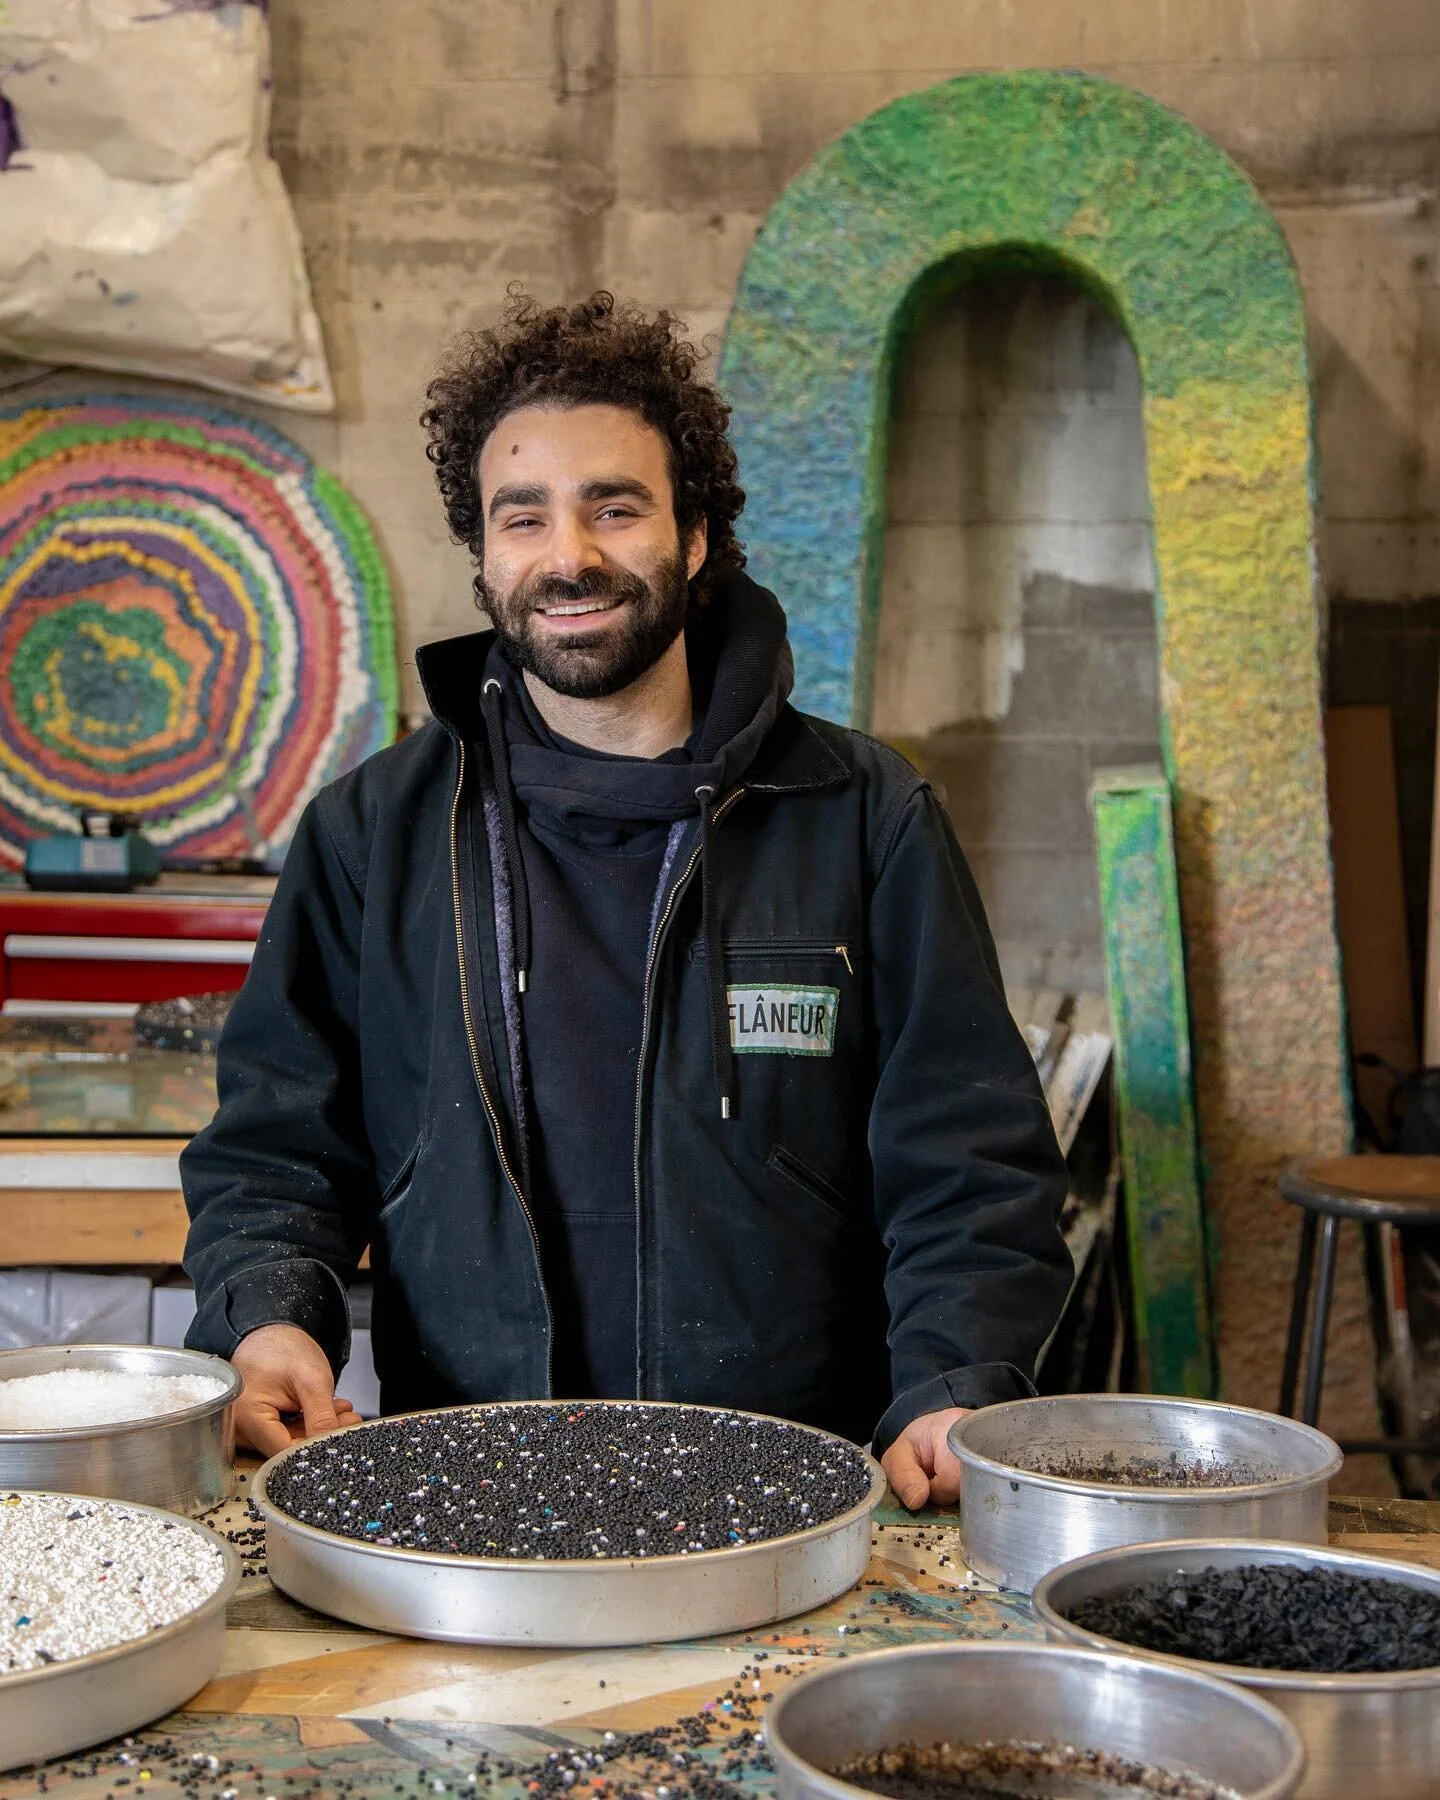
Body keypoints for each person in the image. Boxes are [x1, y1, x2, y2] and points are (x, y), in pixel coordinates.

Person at [182, 291, 1072, 1509]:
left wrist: (957, 1378)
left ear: (694, 535)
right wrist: (270, 1319)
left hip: (801, 1489)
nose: (570, 557)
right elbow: (279, 1146)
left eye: (615, 506)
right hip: (469, 1488)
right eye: (524, 517)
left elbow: (971, 1164)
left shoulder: (862, 817)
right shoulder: (372, 834)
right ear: (486, 555)